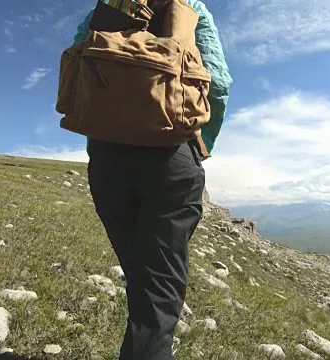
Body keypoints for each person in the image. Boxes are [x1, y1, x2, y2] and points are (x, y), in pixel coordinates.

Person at [69, 1, 232, 359]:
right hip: (170, 156)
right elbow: (218, 82)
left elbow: (81, 70)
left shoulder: (106, 8)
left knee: (142, 281)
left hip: (108, 159)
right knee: (158, 292)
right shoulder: (191, 7)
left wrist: (101, 139)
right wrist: (201, 146)